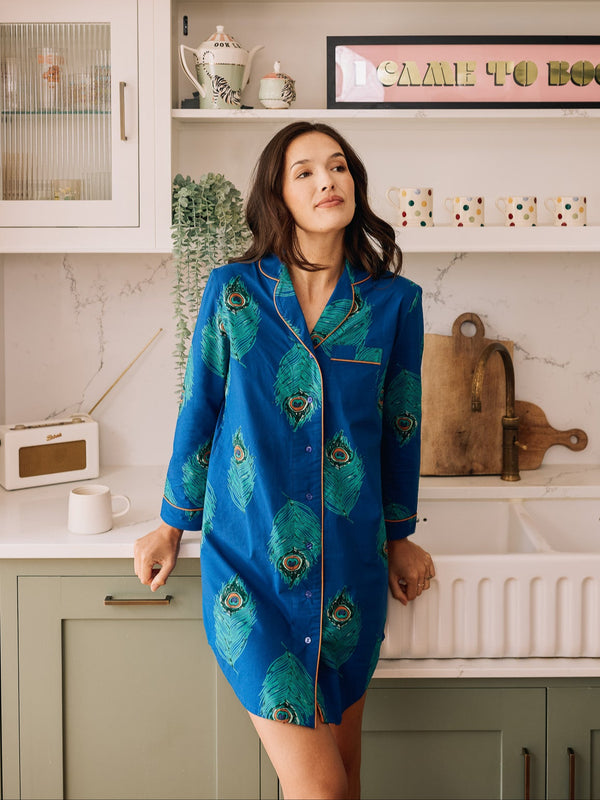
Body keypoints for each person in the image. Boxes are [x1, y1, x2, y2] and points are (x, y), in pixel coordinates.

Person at [134, 121, 435, 800]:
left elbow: (399, 428)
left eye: (338, 167)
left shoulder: (394, 304)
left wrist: (400, 538)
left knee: (347, 780)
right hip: (250, 567)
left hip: (348, 574)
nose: (327, 180)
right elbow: (199, 409)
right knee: (321, 787)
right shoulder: (233, 292)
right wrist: (168, 524)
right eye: (305, 171)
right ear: (279, 194)